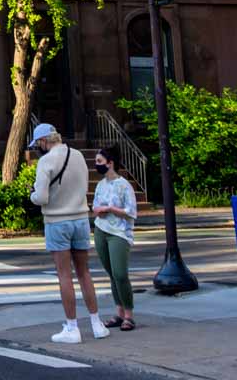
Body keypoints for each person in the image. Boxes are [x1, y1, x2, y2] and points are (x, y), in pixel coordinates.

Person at [28, 122, 109, 344]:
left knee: (65, 275)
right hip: (81, 218)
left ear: (44, 141)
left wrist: (32, 195)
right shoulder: (78, 155)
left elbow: (42, 197)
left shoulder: (45, 161)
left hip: (57, 221)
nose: (38, 148)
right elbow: (84, 187)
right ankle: (97, 323)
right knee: (84, 273)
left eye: (38, 143)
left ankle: (72, 327)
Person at [92, 146, 139, 331]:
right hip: (101, 229)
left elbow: (131, 212)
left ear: (110, 163)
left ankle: (129, 314)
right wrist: (99, 210)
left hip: (119, 232)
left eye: (99, 162)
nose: (97, 165)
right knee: (112, 274)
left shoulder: (124, 185)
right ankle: (119, 312)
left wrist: (111, 209)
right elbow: (95, 206)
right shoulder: (100, 185)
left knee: (120, 273)